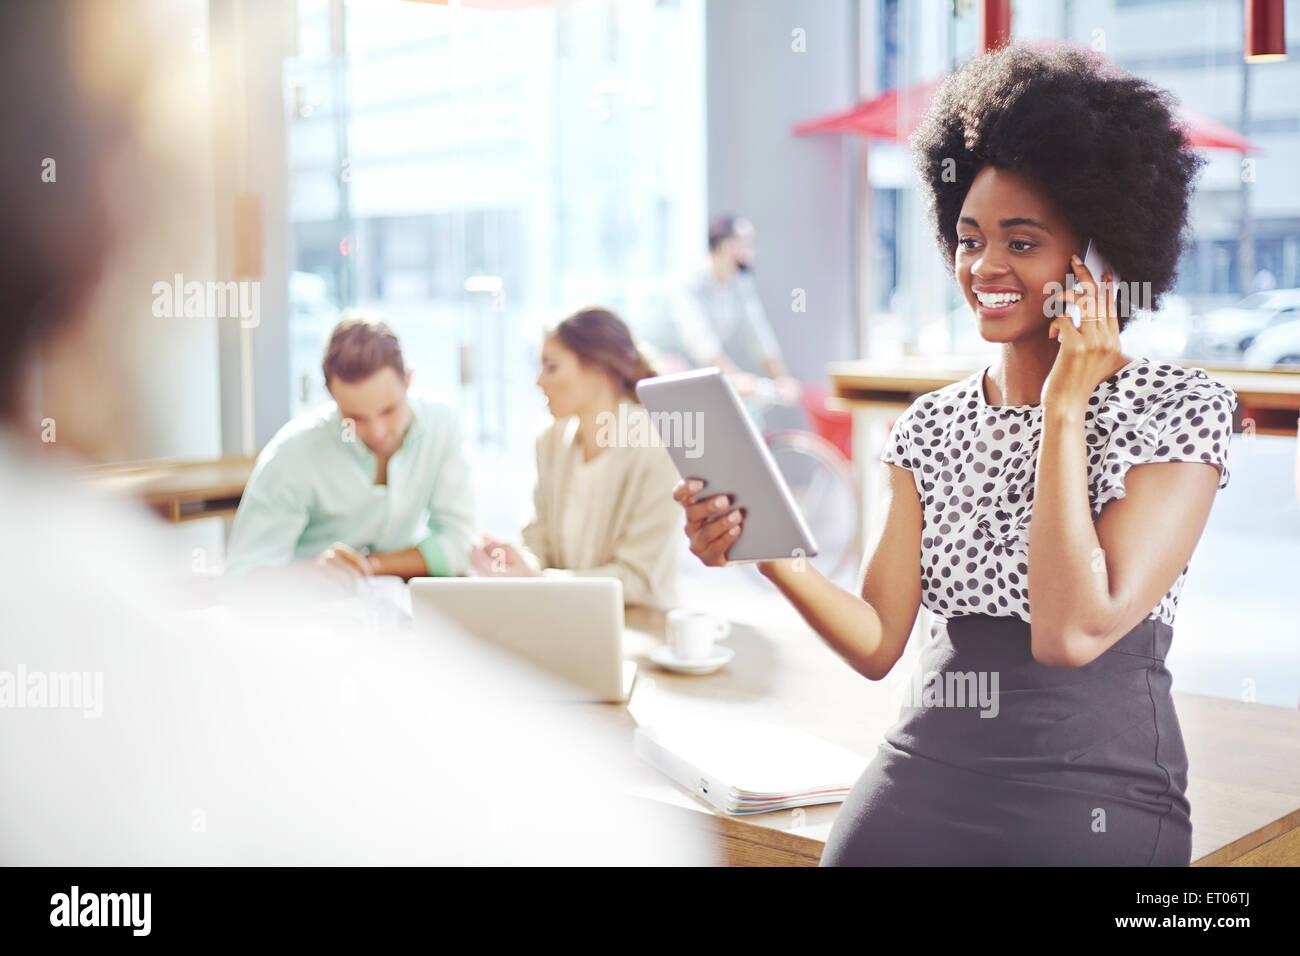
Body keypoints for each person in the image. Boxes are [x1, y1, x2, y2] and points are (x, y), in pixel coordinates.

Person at [673, 43, 1238, 866]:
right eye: (970, 239)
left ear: (1101, 261)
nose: (986, 267)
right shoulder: (930, 425)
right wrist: (763, 549)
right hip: (923, 778)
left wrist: (1064, 409)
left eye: (1022, 241)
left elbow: (1072, 632)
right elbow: (876, 641)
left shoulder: (1180, 411)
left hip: (1096, 800)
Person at [225, 314, 476, 580]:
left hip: (391, 604)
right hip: (307, 609)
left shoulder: (441, 424)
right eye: (356, 418)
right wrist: (314, 574)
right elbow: (240, 579)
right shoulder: (293, 454)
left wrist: (370, 566)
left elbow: (461, 544)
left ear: (409, 379)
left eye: (389, 410)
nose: (378, 433)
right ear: (332, 398)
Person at [470, 307, 683, 610]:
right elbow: (537, 540)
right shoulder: (550, 439)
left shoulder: (658, 445)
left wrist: (538, 581)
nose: (538, 381)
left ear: (598, 369)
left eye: (551, 367)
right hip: (564, 616)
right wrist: (515, 565)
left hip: (639, 622)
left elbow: (637, 578)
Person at [669, 215, 801, 417]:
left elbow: (758, 331)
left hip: (699, 379)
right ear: (728, 246)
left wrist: (781, 378)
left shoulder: (738, 283)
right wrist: (738, 378)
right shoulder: (689, 281)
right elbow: (701, 343)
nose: (752, 251)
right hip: (670, 373)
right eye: (747, 244)